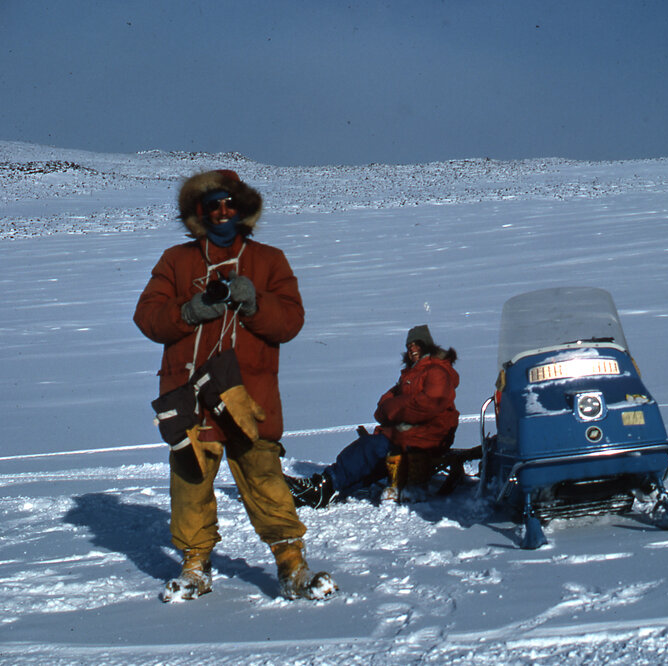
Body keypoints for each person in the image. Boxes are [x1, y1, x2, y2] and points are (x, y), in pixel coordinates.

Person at [134, 169, 335, 602]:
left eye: (230, 204)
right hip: (188, 392)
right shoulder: (176, 260)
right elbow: (147, 317)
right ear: (197, 213)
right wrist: (188, 311)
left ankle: (290, 563)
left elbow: (290, 322)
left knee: (264, 476)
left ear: (243, 209)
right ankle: (194, 565)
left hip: (248, 395)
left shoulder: (269, 261)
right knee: (190, 479)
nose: (223, 212)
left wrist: (255, 303)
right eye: (213, 205)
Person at [285, 325, 459, 508]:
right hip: (412, 433)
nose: (412, 349)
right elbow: (381, 407)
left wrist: (394, 409)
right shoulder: (411, 375)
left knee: (371, 447)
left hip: (430, 434)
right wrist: (397, 409)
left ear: (428, 346)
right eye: (409, 346)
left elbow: (429, 404)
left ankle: (325, 486)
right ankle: (331, 488)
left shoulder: (436, 371)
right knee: (373, 455)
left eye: (417, 344)